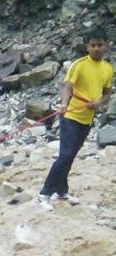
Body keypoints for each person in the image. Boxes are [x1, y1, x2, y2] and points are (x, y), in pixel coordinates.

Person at [38, 29, 113, 211]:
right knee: (66, 154)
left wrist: (99, 103)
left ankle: (61, 191)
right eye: (92, 45)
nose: (96, 48)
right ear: (87, 47)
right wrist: (64, 103)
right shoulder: (79, 64)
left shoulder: (108, 68)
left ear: (106, 46)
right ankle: (44, 193)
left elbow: (108, 92)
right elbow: (67, 86)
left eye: (99, 45)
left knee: (70, 155)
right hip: (71, 115)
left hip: (87, 119)